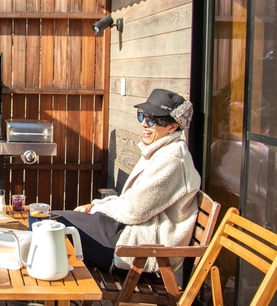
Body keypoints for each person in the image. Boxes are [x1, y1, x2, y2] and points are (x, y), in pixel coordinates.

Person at [54, 88, 201, 273]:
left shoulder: (171, 160)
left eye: (154, 120)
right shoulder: (159, 149)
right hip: (128, 230)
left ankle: (47, 297)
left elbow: (133, 211)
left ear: (173, 127)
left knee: (52, 227)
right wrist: (96, 205)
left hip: (137, 248)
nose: (145, 124)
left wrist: (97, 207)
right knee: (50, 221)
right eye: (143, 116)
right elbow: (132, 204)